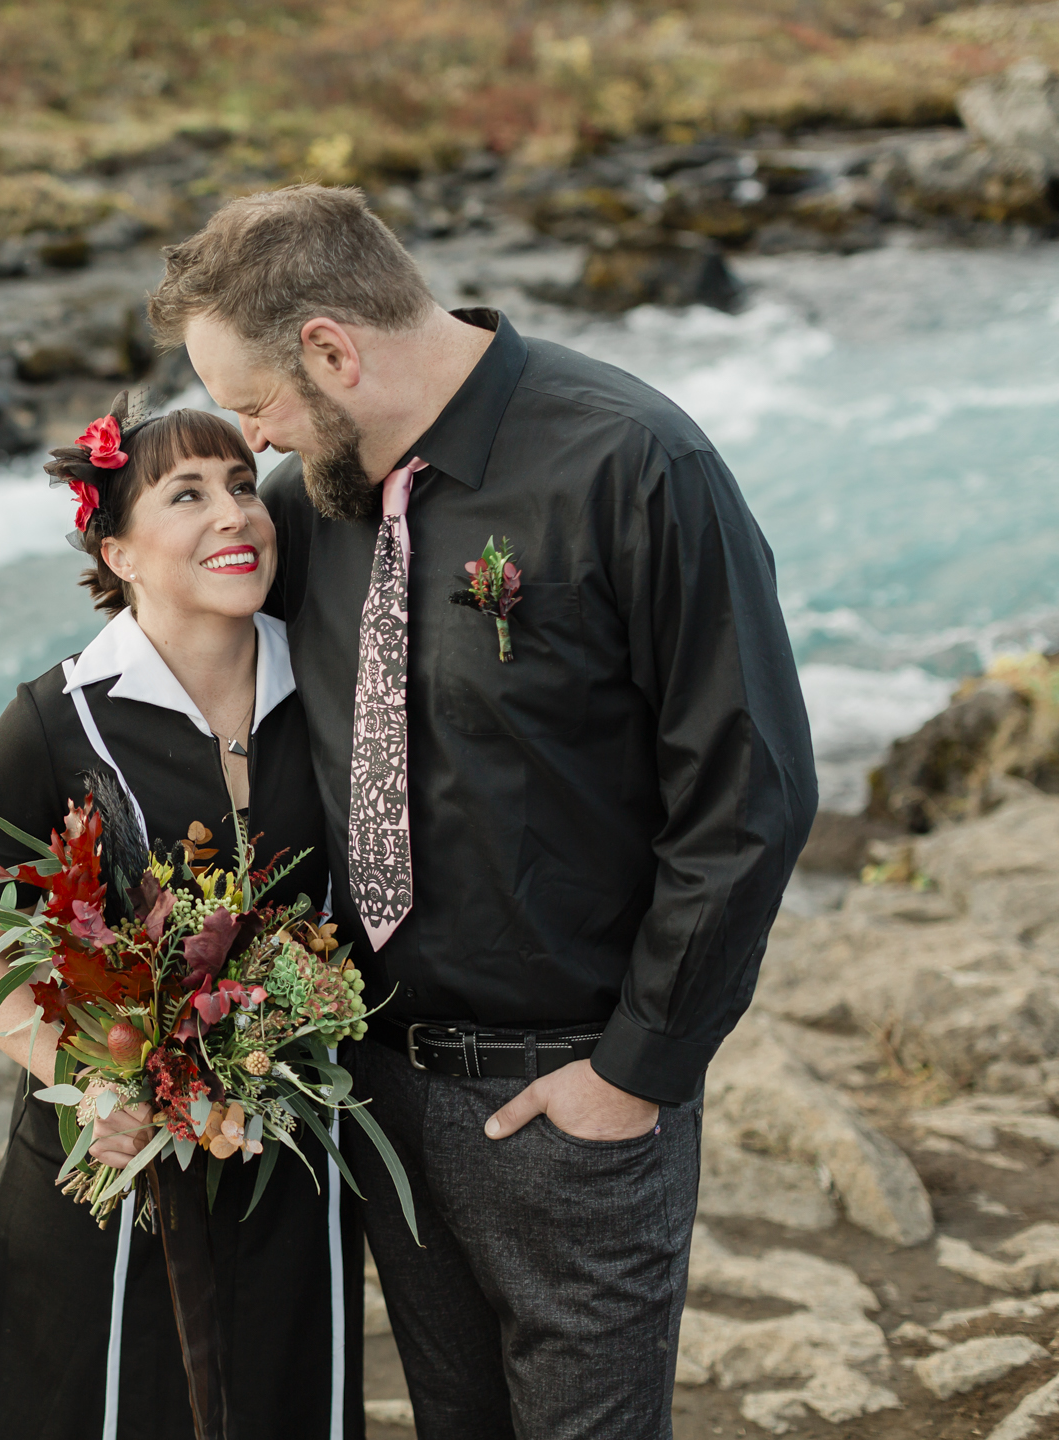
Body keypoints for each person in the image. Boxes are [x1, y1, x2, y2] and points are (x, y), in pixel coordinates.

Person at [148, 186, 817, 1439]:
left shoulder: (637, 464)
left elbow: (751, 793)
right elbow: (195, 672)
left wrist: (636, 1072)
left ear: (334, 351)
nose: (261, 446)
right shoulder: (308, 505)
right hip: (383, 1095)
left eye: (258, 407)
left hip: (574, 1100)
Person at [0, 394, 365, 1440]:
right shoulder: (49, 724)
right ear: (118, 550)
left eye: (239, 485)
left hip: (291, 1161)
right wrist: (92, 1085)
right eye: (187, 495)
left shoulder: (332, 679)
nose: (236, 514)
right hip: (108, 1171)